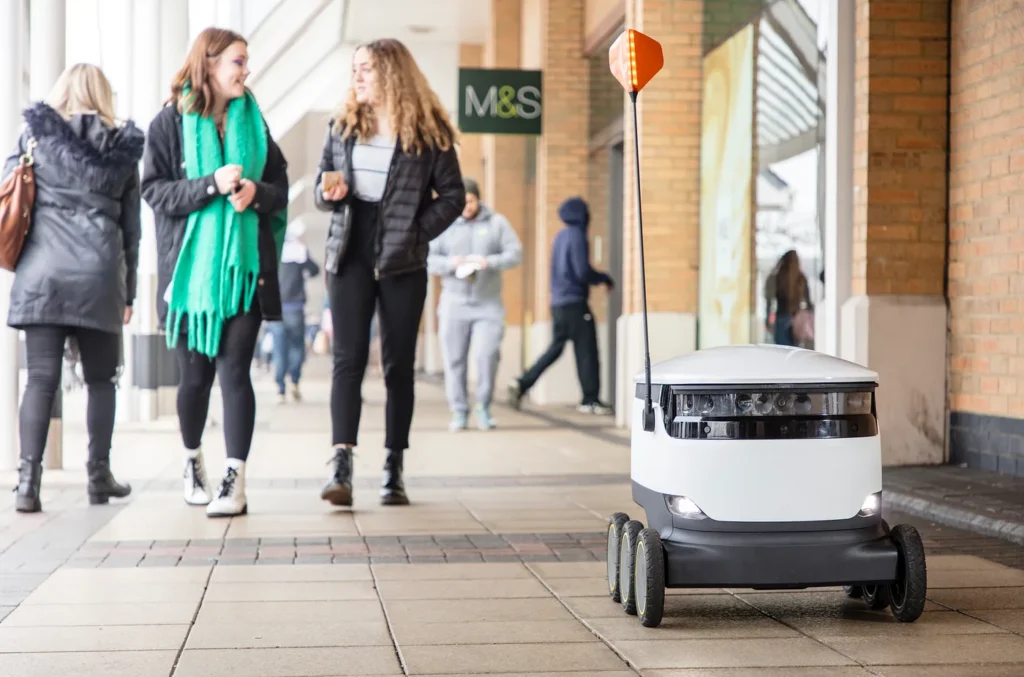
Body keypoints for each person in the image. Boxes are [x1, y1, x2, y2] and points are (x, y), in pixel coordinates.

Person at [141, 27, 289, 518]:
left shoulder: (253, 118)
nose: (246, 71)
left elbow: (280, 184)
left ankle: (235, 480)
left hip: (244, 270)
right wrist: (209, 185)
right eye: (238, 62)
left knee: (235, 373)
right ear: (208, 64)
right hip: (190, 278)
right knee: (194, 380)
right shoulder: (168, 122)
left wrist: (256, 194)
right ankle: (192, 462)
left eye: (246, 62)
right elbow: (155, 192)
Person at [314, 38, 464, 508]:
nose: (357, 77)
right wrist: (328, 194)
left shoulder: (427, 131)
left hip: (403, 258)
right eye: (355, 69)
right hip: (349, 252)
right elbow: (322, 188)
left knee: (399, 366)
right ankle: (341, 462)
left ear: (392, 74)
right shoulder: (342, 126)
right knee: (348, 360)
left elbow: (454, 196)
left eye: (366, 69)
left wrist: (417, 233)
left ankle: (393, 466)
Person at [5, 64, 143, 513]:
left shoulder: (32, 138)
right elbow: (131, 229)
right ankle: (98, 477)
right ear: (104, 95)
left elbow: (9, 189)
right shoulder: (122, 148)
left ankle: (28, 481)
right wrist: (129, 293)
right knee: (102, 381)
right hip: (98, 276)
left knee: (40, 380)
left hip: (42, 274)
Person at [428, 177, 521, 431]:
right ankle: (458, 410)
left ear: (478, 199)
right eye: (462, 201)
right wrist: (450, 264)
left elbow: (515, 253)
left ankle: (483, 406)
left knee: (486, 355)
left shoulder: (497, 223)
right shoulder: (444, 224)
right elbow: (426, 257)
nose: (466, 206)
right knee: (454, 359)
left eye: (470, 200)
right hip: (454, 303)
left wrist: (488, 261)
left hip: (488, 304)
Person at [507, 196, 613, 415]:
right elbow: (582, 271)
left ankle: (523, 382)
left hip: (558, 304)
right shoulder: (577, 236)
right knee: (587, 351)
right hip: (575, 303)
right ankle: (590, 400)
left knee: (555, 349)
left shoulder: (560, 237)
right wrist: (603, 278)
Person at [272, 219, 320, 403]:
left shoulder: (276, 251)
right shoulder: (300, 251)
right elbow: (314, 270)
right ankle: (294, 380)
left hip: (276, 308)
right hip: (295, 308)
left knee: (279, 348)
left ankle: (280, 389)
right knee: (296, 347)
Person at [770, 249, 811, 347]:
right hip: (795, 319)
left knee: (780, 352)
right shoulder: (801, 278)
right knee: (794, 353)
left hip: (781, 317)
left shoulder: (778, 277)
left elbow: (770, 298)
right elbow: (808, 302)